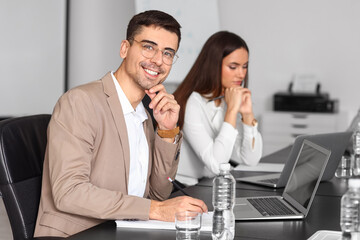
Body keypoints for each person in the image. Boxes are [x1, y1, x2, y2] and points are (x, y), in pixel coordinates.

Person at [34, 10, 207, 238]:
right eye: (148, 47)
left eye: (168, 53)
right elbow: (69, 192)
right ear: (125, 48)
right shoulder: (80, 102)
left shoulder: (144, 115)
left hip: (123, 231)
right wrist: (154, 210)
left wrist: (166, 131)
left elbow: (159, 193)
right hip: (77, 234)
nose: (157, 60)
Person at [174, 31, 263, 186]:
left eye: (245, 66)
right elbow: (217, 165)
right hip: (183, 187)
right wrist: (232, 112)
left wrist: (248, 115)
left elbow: (251, 160)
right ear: (214, 65)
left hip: (209, 183)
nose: (241, 74)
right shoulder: (192, 102)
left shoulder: (226, 99)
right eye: (233, 67)